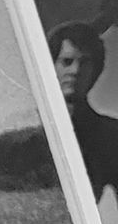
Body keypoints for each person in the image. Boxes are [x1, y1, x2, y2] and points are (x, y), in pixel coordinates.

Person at [50, 21, 118, 208]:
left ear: (95, 70)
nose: (75, 70)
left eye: (85, 63)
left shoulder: (110, 134)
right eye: (67, 61)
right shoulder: (30, 128)